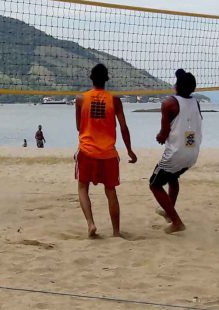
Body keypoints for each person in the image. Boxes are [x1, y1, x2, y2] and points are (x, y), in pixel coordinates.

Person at [75, 64, 137, 238]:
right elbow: (124, 127)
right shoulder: (114, 100)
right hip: (108, 153)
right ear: (106, 79)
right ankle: (116, 232)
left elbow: (79, 127)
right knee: (111, 192)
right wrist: (130, 150)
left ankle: (91, 224)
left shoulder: (80, 99)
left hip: (87, 151)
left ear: (91, 78)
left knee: (82, 188)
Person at [150, 69, 202, 234]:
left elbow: (163, 134)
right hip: (193, 153)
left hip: (176, 154)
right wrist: (181, 75)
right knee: (173, 177)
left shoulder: (168, 103)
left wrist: (159, 137)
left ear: (177, 85)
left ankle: (176, 221)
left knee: (154, 184)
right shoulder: (196, 102)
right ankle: (168, 210)